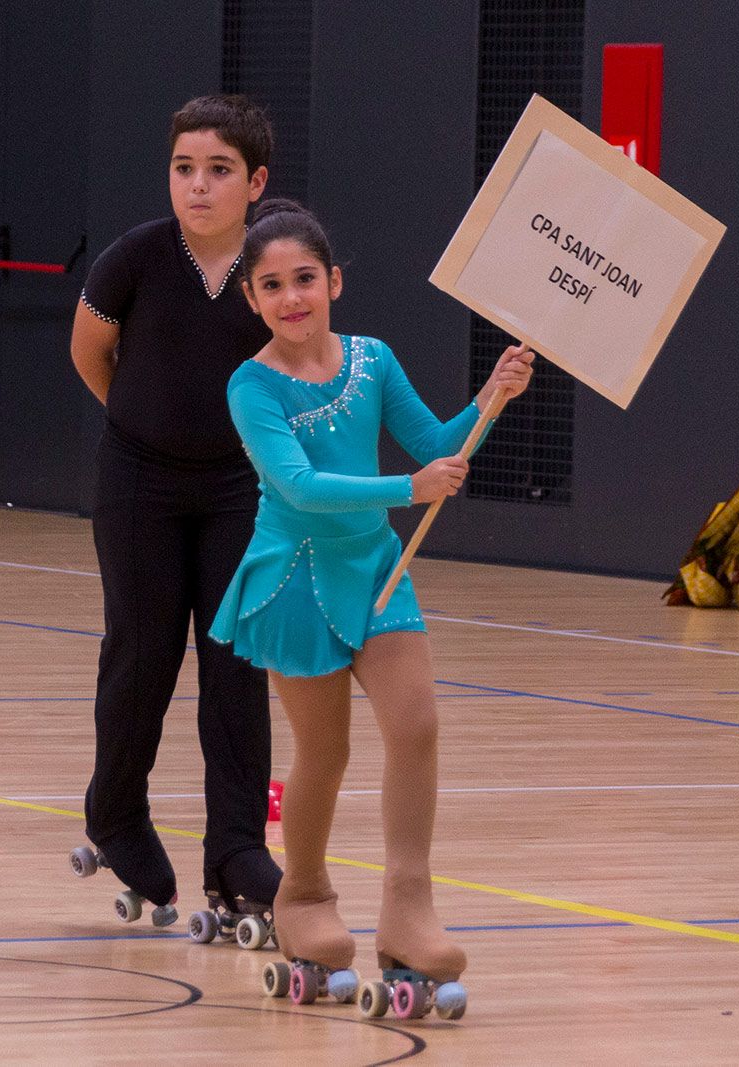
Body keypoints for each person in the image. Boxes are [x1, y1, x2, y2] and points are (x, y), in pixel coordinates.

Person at [208, 199, 534, 1015]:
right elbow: (300, 486)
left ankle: (408, 907)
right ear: (251, 298)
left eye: (305, 280)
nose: (291, 298)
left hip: (379, 573)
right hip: (296, 579)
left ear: (334, 281)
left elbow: (438, 450)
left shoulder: (373, 360)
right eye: (272, 285)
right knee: (325, 754)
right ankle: (305, 895)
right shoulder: (251, 388)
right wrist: (407, 489)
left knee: (416, 724)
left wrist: (491, 399)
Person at [68, 95, 282, 927]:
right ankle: (116, 812)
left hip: (237, 487)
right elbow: (90, 350)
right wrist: (141, 421)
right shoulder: (135, 258)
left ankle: (235, 846)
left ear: (255, 182)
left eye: (218, 170)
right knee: (142, 654)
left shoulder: (273, 266)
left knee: (236, 663)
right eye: (183, 168)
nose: (197, 186)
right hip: (138, 485)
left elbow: (299, 359)